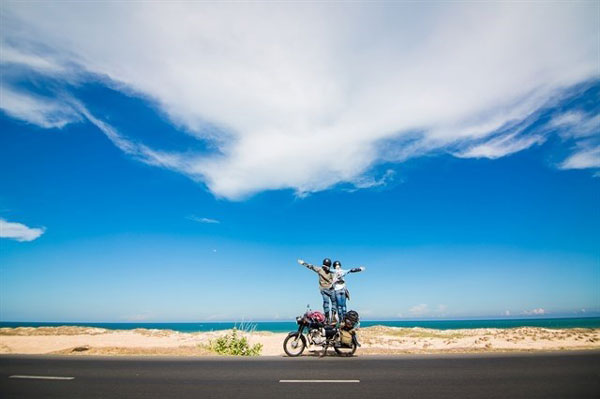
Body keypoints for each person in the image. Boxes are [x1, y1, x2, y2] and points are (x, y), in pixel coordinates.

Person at [297, 258, 337, 323]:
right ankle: (332, 317)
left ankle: (327, 318)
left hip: (324, 289)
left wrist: (303, 263)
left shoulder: (320, 269)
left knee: (326, 303)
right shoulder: (331, 271)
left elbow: (311, 267)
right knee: (333, 302)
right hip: (330, 289)